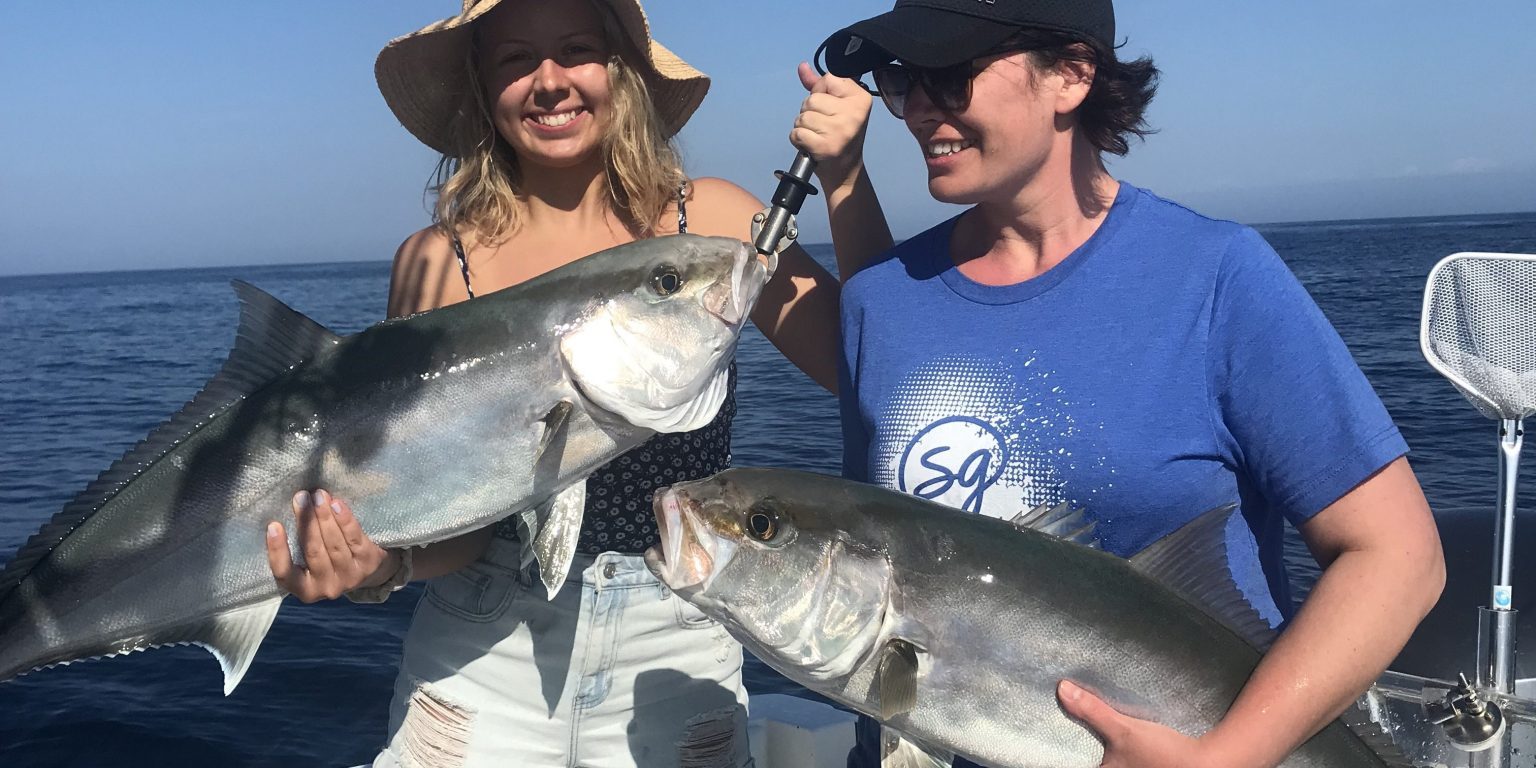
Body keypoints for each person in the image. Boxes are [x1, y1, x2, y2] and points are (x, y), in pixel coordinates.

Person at [803, 1, 1447, 766]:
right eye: (903, 79)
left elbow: (1398, 556)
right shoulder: (881, 301)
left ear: (1071, 75)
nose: (915, 108)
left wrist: (1225, 758)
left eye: (948, 74)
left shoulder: (1212, 278)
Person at [260, 1, 886, 766]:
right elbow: (458, 523)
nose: (549, 80)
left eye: (576, 50)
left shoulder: (709, 226)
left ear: (621, 70)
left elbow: (877, 370)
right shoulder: (440, 261)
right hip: (483, 654)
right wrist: (383, 567)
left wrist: (846, 177)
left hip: (677, 644)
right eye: (515, 59)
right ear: (483, 86)